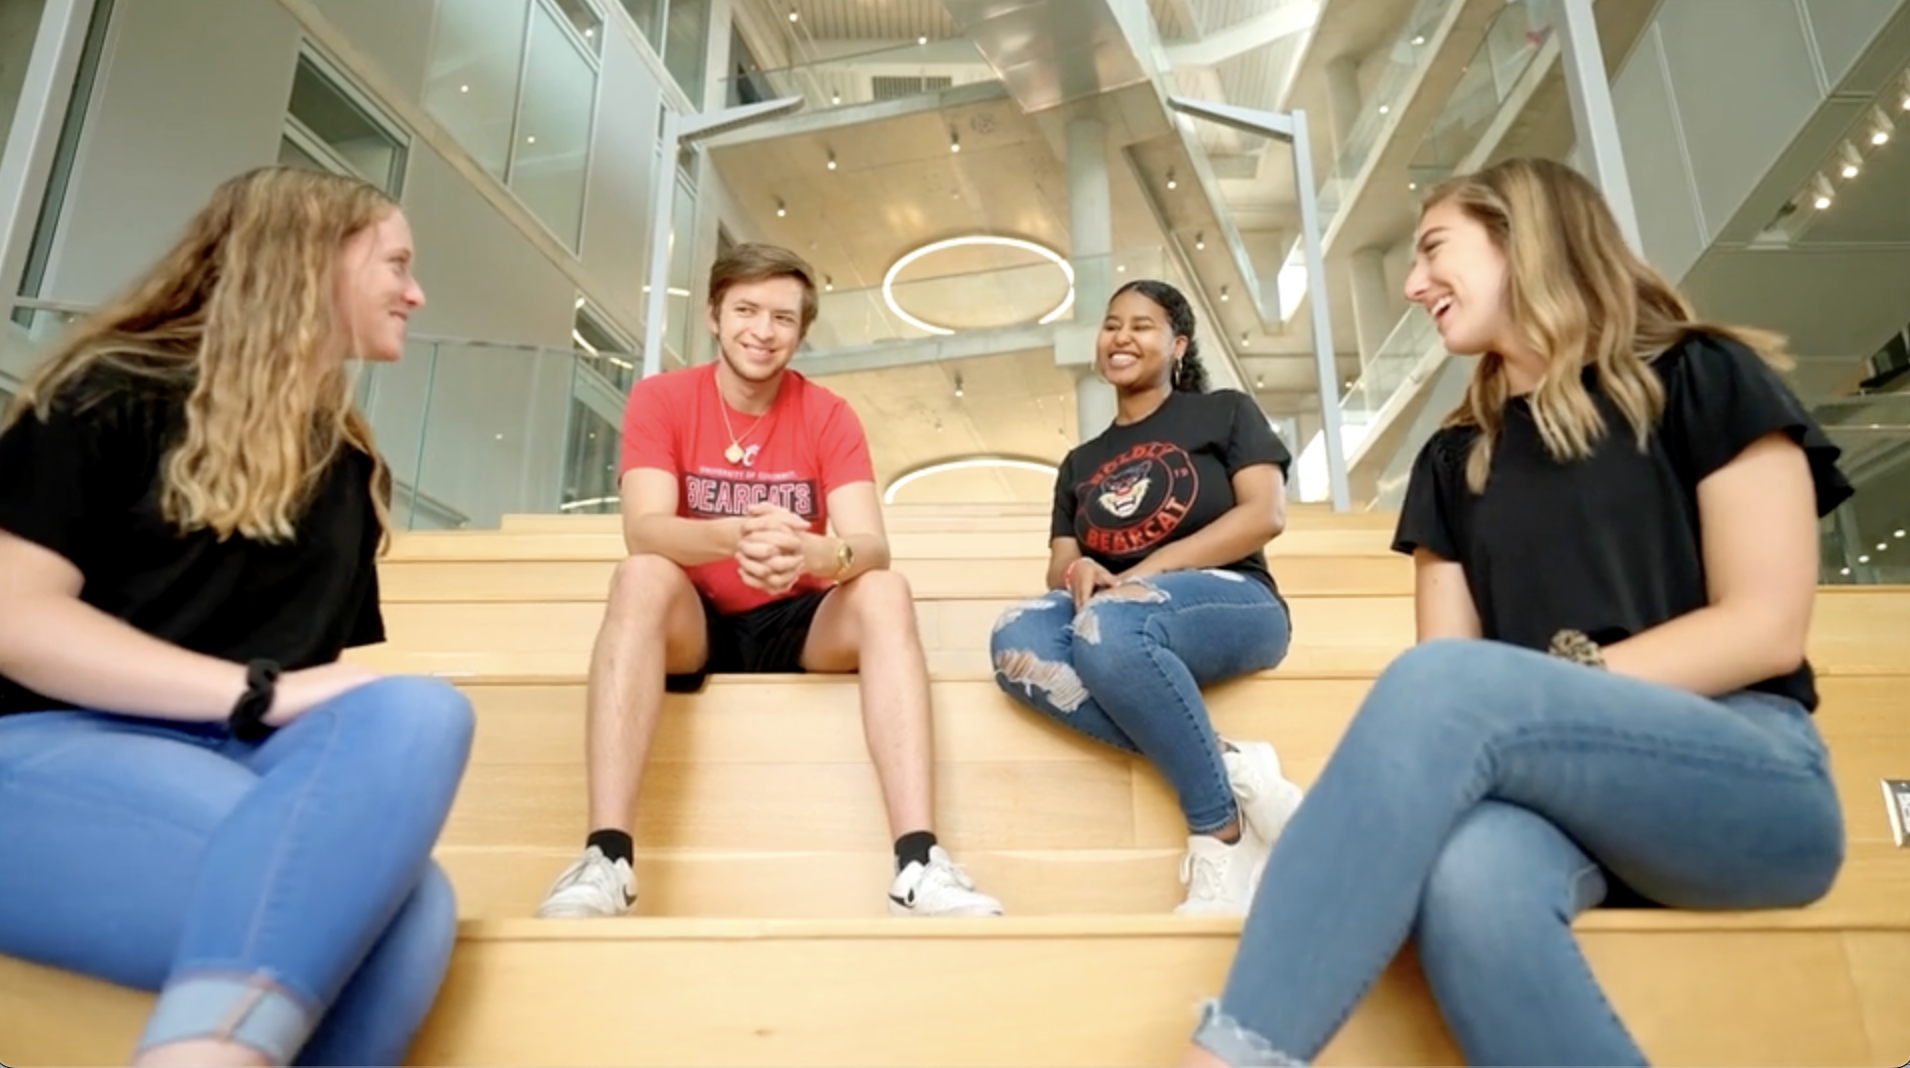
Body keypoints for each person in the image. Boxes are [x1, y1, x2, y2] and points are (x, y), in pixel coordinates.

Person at [1181, 157, 1850, 1066]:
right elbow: (1445, 710)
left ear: (1521, 237)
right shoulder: (1452, 462)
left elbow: (1765, 626)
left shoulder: (1704, 375)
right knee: (1467, 881)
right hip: (1551, 814)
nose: (1414, 285)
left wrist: (1551, 691)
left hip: (1749, 776)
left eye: (1433, 250)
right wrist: (1519, 707)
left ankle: (1233, 1056)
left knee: (1447, 688)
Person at [0, 167, 474, 1068]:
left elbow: (325, 699)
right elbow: (14, 621)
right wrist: (254, 693)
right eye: (397, 264)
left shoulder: (347, 469)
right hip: (36, 761)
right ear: (312, 259)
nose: (415, 294)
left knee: (418, 742)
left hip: (224, 772)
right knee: (399, 920)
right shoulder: (111, 391)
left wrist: (273, 705)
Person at [535, 242, 1002, 920]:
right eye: (746, 310)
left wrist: (814, 554)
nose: (763, 330)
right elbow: (646, 529)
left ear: (800, 331)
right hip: (695, 618)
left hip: (798, 621)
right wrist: (736, 537)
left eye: (783, 317)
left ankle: (919, 863)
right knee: (639, 575)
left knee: (886, 591)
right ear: (714, 316)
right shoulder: (662, 398)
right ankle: (606, 858)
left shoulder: (828, 413)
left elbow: (872, 546)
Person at [989, 279, 1305, 916]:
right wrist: (1080, 570)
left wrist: (1147, 572)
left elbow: (1263, 514)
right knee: (1015, 638)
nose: (1121, 337)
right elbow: (1060, 563)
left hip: (1231, 599)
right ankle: (1233, 765)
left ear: (1178, 344)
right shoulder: (1080, 462)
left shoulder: (1224, 412)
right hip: (1115, 615)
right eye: (1112, 324)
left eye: (1141, 325)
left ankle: (1218, 834)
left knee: (1112, 620)